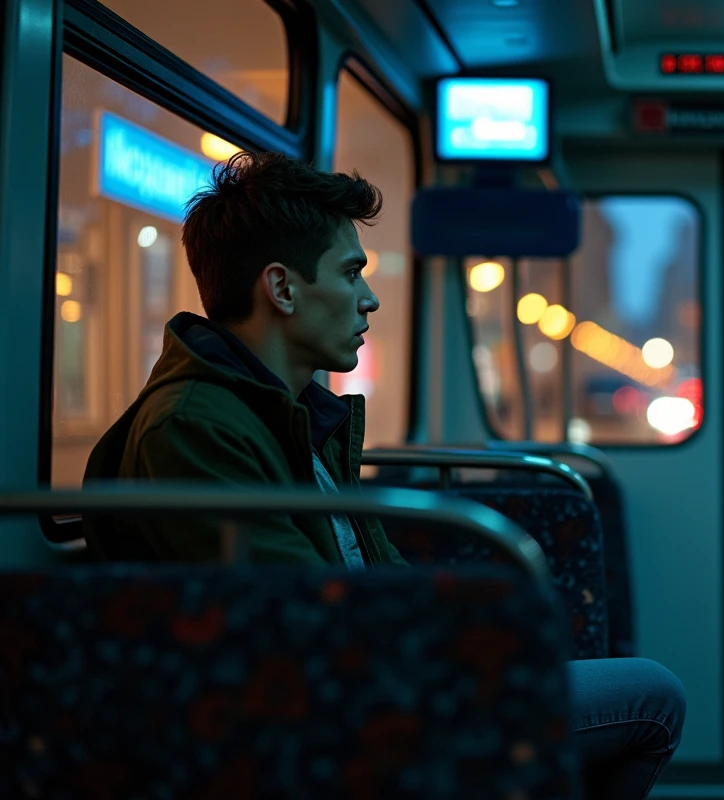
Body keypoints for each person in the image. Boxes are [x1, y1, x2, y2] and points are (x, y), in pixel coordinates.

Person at [82, 152, 684, 798]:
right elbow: (299, 618)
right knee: (652, 697)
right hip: (336, 713)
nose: (368, 299)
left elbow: (375, 573)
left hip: (370, 672)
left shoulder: (292, 413)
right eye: (350, 273)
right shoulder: (196, 429)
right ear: (282, 289)